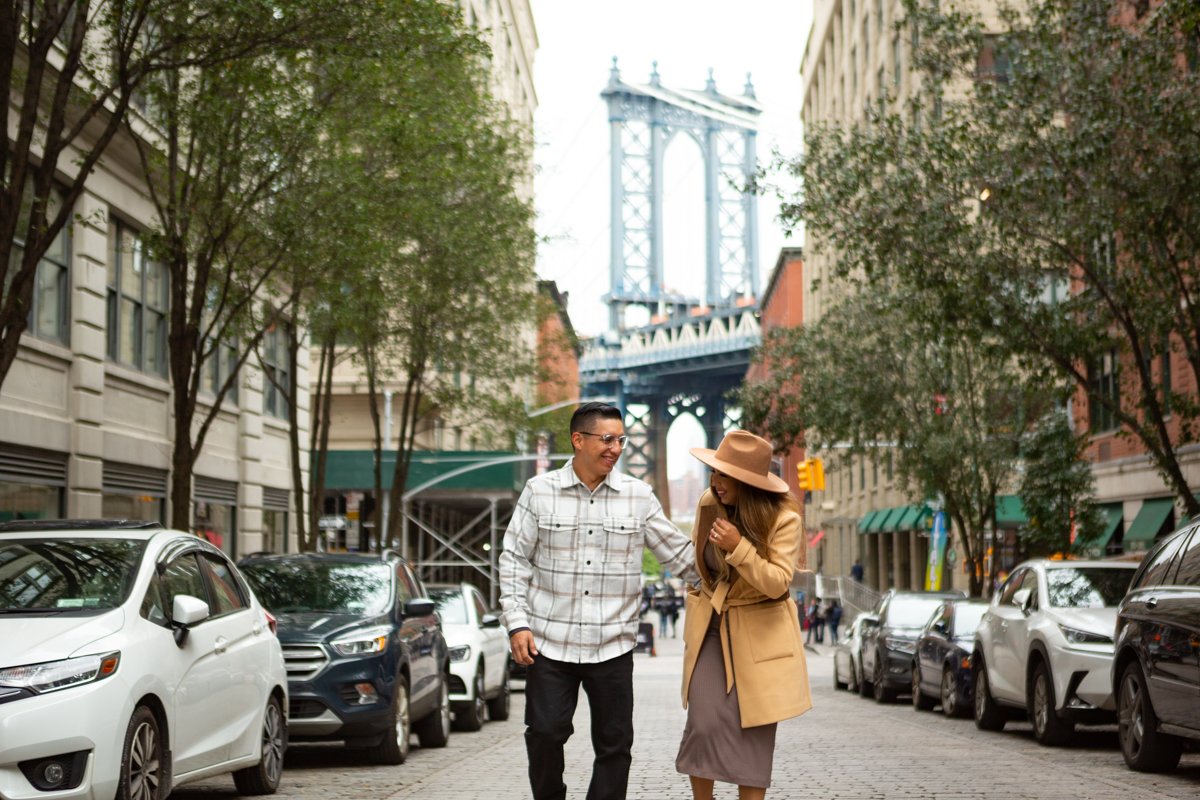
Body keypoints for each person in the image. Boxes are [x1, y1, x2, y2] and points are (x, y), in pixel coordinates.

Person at [499, 402, 697, 800]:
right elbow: (514, 559)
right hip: (550, 643)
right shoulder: (539, 492)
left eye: (621, 440)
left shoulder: (638, 496)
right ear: (578, 440)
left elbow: (681, 557)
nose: (616, 448)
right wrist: (517, 623)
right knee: (544, 733)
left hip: (612, 646)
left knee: (614, 744)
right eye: (607, 439)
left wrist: (739, 566)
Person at [675, 430, 813, 800]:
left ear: (748, 482)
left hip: (762, 630)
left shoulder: (785, 519)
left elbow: (777, 583)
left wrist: (739, 548)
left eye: (724, 476)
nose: (716, 483)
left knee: (753, 733)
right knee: (701, 726)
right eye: (714, 473)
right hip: (712, 626)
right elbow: (699, 562)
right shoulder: (708, 504)